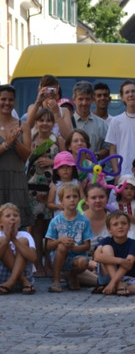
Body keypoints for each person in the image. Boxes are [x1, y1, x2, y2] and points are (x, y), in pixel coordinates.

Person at [25, 107, 61, 274]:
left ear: (53, 123)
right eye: (41, 120)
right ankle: (38, 263)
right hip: (33, 190)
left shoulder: (57, 140)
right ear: (36, 122)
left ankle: (49, 264)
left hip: (52, 188)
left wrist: (52, 162)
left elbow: (66, 161)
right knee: (37, 229)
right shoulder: (30, 139)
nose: (45, 123)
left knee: (50, 229)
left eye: (48, 120)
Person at [93, 210, 135, 296]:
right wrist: (120, 261)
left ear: (129, 227)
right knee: (107, 248)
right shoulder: (105, 241)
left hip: (125, 278)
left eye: (124, 223)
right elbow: (97, 257)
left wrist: (114, 283)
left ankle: (113, 288)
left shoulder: (134, 243)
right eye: (115, 224)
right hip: (106, 276)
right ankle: (118, 286)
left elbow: (128, 264)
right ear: (109, 230)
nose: (120, 227)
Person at [45, 182, 93, 292]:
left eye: (75, 196)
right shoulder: (55, 221)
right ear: (61, 201)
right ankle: (56, 279)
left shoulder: (84, 221)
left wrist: (73, 247)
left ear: (79, 199)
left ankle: (72, 276)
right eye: (68, 197)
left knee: (83, 262)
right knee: (62, 246)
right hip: (58, 257)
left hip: (77, 257)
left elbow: (87, 246)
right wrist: (60, 240)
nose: (72, 200)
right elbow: (48, 246)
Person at [0, 84, 31, 226]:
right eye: (3, 99)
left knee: (17, 222)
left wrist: (15, 141)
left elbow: (26, 155)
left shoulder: (23, 125)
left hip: (16, 180)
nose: (7, 103)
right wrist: (7, 143)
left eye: (10, 100)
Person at [0, 202, 37, 294]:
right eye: (8, 216)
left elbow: (33, 258)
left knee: (23, 241)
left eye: (15, 215)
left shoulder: (25, 235)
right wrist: (7, 239)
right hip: (4, 279)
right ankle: (22, 280)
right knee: (3, 241)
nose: (12, 218)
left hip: (24, 273)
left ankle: (12, 281)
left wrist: (14, 239)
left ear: (19, 220)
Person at [26, 75, 73, 140]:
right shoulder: (33, 108)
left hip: (59, 146)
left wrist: (57, 114)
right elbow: (28, 127)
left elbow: (68, 137)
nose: (50, 92)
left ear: (57, 90)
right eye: (47, 89)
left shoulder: (64, 111)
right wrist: (38, 102)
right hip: (38, 145)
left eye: (52, 89)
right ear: (40, 89)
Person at [72, 80, 109, 159]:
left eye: (87, 99)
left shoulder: (102, 124)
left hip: (94, 166)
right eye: (80, 99)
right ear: (74, 99)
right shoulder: (67, 122)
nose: (84, 103)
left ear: (92, 100)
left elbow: (107, 148)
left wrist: (96, 155)